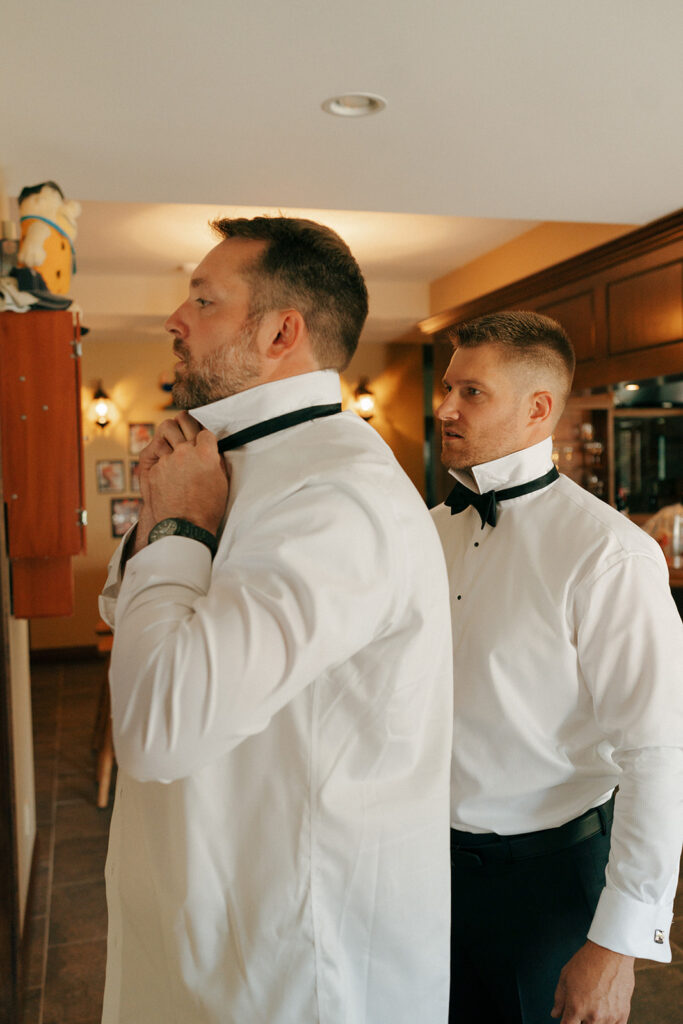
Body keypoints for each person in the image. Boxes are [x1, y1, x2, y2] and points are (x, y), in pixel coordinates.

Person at [99, 216, 453, 1023]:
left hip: (293, 960)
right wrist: (171, 521)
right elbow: (127, 606)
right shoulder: (219, 460)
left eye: (203, 300)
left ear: (281, 332)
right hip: (195, 920)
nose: (174, 320)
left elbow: (157, 727)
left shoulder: (338, 499)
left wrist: (180, 529)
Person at [430, 311, 683, 1024]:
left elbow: (657, 754)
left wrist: (615, 947)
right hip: (420, 873)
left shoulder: (608, 555)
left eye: (470, 392)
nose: (444, 407)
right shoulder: (429, 532)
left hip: (545, 888)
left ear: (538, 408)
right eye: (447, 387)